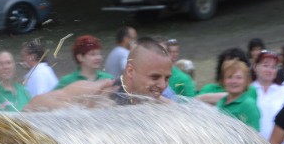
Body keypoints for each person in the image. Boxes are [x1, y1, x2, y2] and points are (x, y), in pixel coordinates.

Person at [25, 38, 173, 109]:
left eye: (167, 78)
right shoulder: (95, 91)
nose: (162, 85)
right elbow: (33, 105)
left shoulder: (162, 105)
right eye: (155, 77)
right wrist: (84, 111)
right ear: (130, 71)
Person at [251, 50, 284, 144]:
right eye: (265, 65)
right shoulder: (247, 90)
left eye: (273, 67)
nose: (269, 70)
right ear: (255, 67)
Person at [211, 59, 260, 130]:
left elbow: (254, 134)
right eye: (229, 77)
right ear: (223, 81)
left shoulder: (248, 105)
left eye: (239, 77)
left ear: (246, 81)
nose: (234, 81)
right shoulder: (221, 102)